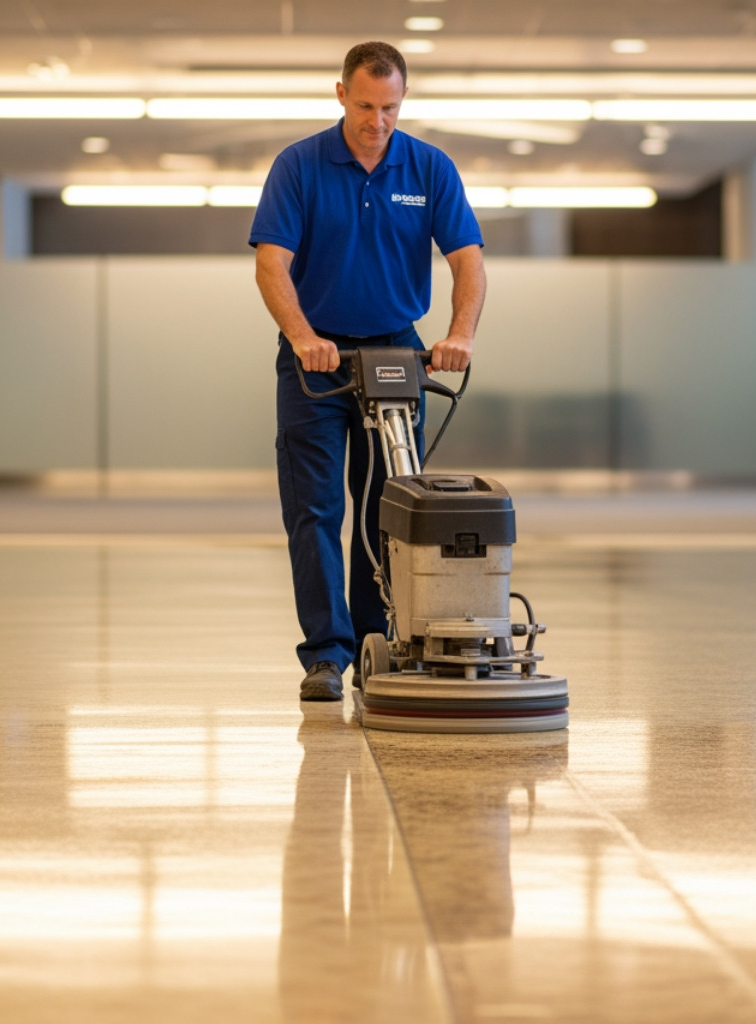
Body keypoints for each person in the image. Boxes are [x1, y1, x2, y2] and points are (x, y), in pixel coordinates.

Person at [251, 41, 487, 702]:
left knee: (389, 509)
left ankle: (376, 642)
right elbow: (271, 263)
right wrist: (303, 336)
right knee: (317, 509)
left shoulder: (429, 168)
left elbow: (467, 260)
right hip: (315, 359)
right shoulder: (298, 166)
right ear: (340, 94)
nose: (376, 120)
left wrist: (459, 334)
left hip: (396, 352)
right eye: (364, 105)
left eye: (389, 107)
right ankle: (326, 654)